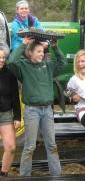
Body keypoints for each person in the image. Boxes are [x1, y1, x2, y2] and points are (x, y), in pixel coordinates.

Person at [8, 38, 67, 176]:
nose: (42, 54)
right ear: (30, 53)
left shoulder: (48, 66)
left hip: (47, 110)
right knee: (30, 146)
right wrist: (23, 44)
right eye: (39, 51)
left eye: (43, 51)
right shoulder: (23, 67)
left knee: (52, 145)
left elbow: (62, 63)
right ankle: (24, 176)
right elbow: (11, 62)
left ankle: (57, 175)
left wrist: (55, 47)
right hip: (32, 111)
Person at [0, 48, 21, 177]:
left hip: (5, 114)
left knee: (11, 147)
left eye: (3, 57)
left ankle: (3, 174)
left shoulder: (9, 74)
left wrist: (17, 117)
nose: (1, 60)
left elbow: (15, 96)